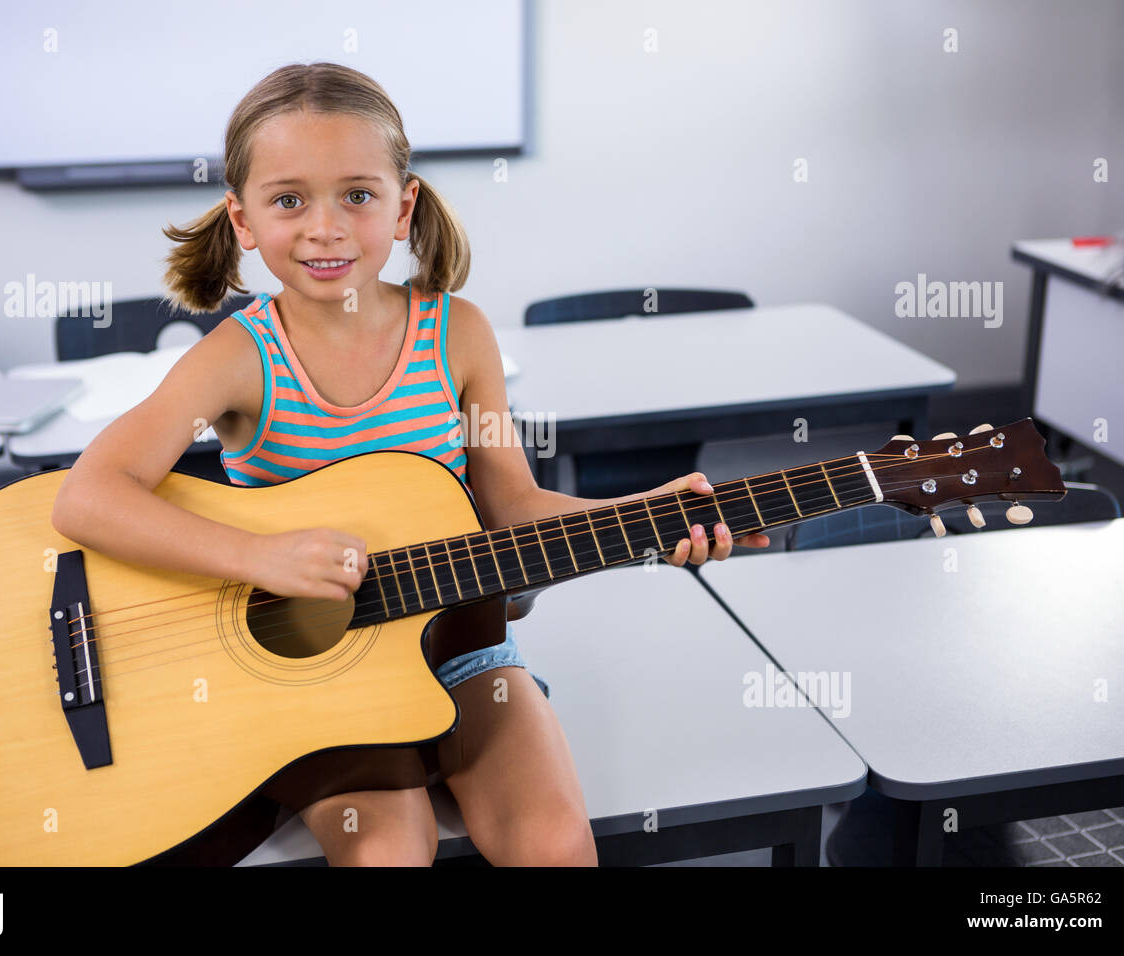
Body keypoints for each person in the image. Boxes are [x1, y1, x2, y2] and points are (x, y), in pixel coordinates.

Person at [50, 61, 769, 867]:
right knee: (387, 852)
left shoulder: (459, 334)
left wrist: (648, 515)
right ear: (242, 220)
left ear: (404, 206)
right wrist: (261, 556)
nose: (326, 228)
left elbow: (511, 509)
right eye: (289, 199)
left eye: (357, 194)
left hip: (464, 650)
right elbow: (88, 498)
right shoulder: (237, 358)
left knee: (555, 845)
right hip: (315, 686)